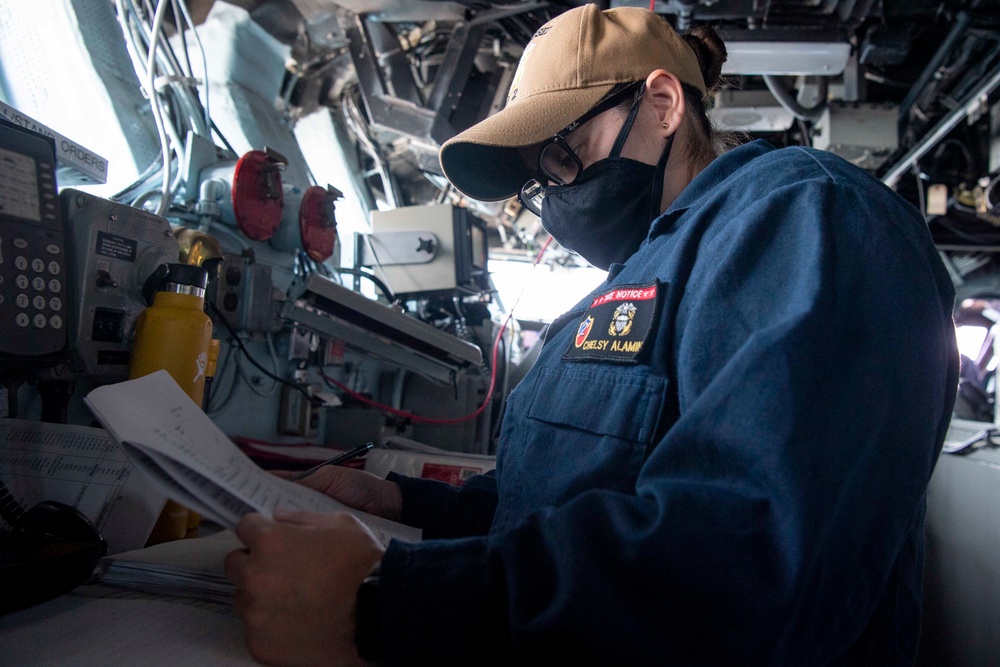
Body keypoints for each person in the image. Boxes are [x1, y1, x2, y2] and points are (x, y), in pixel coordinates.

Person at [224, 5, 959, 665]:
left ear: (664, 102)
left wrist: (387, 602)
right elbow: (551, 501)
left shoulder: (803, 216)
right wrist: (402, 505)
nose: (554, 199)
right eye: (538, 181)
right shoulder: (624, 284)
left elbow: (749, 566)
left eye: (563, 154)